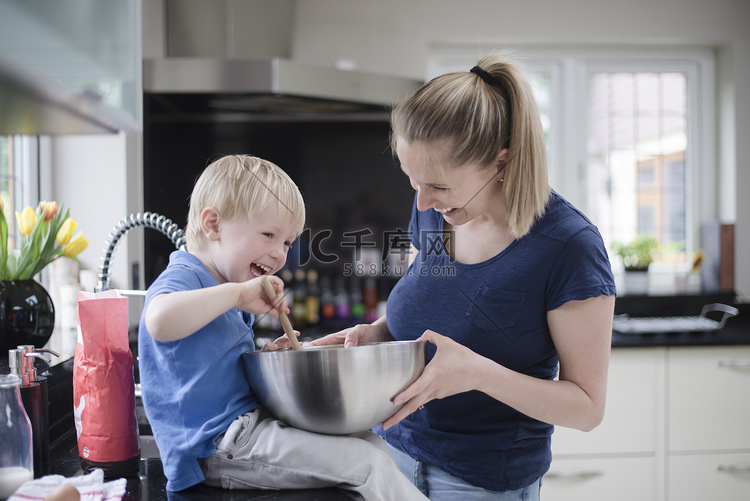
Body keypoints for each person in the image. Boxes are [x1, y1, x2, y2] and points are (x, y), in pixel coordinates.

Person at [310, 51, 617, 500]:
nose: (421, 203)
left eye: (438, 185)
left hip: (480, 484)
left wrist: (479, 373)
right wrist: (380, 334)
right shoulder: (439, 216)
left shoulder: (569, 247)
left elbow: (588, 408)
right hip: (390, 460)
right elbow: (438, 298)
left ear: (500, 163)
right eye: (413, 181)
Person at [138, 154, 428, 500]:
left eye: (287, 242)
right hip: (216, 447)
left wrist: (262, 357)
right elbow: (159, 321)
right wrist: (235, 295)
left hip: (246, 432)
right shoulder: (186, 278)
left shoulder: (226, 285)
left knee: (373, 445)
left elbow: (213, 364)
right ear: (213, 225)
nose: (279, 254)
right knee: (366, 463)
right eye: (268, 234)